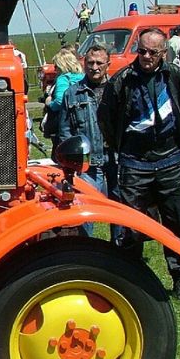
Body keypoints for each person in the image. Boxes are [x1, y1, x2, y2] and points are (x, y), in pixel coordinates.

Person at [99, 27, 180, 302]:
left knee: (177, 221)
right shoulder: (123, 80)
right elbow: (106, 117)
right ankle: (131, 280)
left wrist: (171, 141)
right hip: (133, 162)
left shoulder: (174, 76)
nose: (146, 56)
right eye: (141, 50)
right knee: (130, 225)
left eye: (152, 52)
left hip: (170, 160)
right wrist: (122, 149)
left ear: (163, 53)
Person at [58, 45, 120, 240]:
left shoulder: (118, 90)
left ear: (108, 65)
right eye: (90, 62)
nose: (94, 67)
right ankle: (87, 255)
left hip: (117, 159)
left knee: (120, 211)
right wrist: (71, 162)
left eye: (99, 63)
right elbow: (65, 131)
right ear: (83, 64)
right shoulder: (72, 93)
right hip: (88, 165)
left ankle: (121, 255)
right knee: (86, 213)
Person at [42, 48, 84, 144]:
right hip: (81, 119)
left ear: (63, 65)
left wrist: (50, 103)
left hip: (64, 121)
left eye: (56, 66)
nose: (55, 69)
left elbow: (60, 101)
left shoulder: (63, 79)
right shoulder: (82, 77)